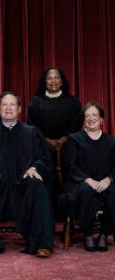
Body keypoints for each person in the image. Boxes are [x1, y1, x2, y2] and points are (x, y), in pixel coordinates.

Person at [0, 92, 54, 258]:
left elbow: (43, 158)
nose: (8, 108)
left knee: (38, 186)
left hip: (23, 184)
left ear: (20, 109)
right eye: (4, 105)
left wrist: (35, 168)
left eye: (12, 104)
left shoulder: (32, 133)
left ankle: (41, 244)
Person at [61, 102, 115, 252]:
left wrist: (108, 179)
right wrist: (89, 180)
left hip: (105, 181)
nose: (91, 118)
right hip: (81, 181)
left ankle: (104, 234)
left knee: (113, 192)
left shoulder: (112, 141)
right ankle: (88, 233)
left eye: (94, 115)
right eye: (87, 116)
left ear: (101, 119)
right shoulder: (74, 139)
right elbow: (71, 165)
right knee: (86, 191)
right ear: (84, 121)